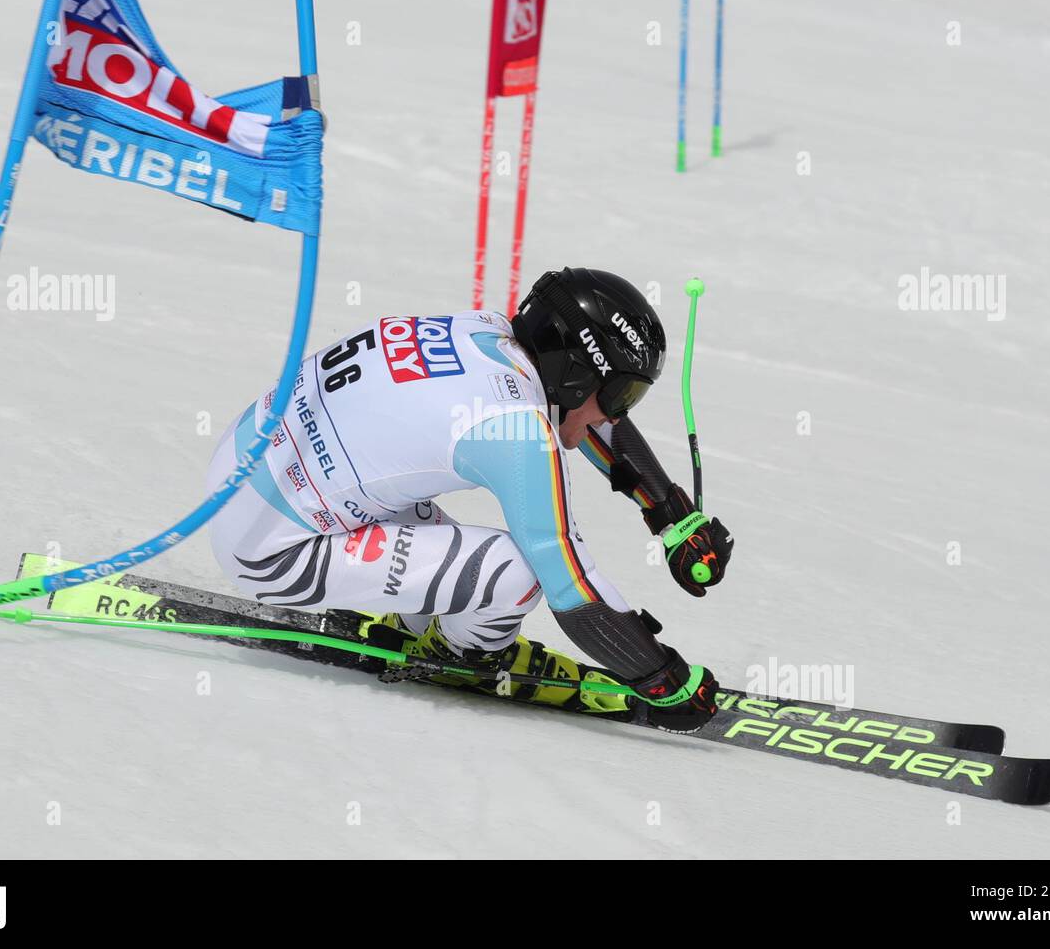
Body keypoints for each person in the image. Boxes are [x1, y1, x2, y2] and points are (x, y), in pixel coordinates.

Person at [205, 267, 733, 732]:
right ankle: (458, 655)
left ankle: (417, 624)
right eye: (621, 394)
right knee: (519, 573)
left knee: (431, 527)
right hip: (271, 553)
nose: (619, 416)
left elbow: (577, 413)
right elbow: (572, 586)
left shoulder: (485, 331)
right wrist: (663, 680)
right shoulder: (518, 429)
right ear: (577, 373)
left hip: (240, 472)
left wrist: (673, 515)